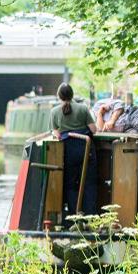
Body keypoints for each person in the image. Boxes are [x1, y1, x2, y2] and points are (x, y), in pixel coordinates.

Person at [49, 83, 98, 216]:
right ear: (72, 94)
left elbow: (56, 134)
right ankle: (90, 216)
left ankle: (73, 216)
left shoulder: (54, 112)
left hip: (68, 151)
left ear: (59, 96)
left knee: (70, 183)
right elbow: (94, 130)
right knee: (89, 183)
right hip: (85, 149)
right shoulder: (83, 108)